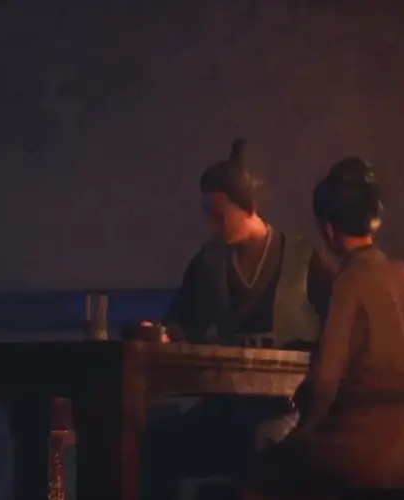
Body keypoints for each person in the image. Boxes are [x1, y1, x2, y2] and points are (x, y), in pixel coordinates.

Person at [138, 139, 337, 500]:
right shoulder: (209, 262)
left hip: (288, 407)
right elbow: (184, 322)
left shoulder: (304, 257)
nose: (214, 224)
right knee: (155, 447)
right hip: (228, 403)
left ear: (247, 207)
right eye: (208, 215)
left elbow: (337, 327)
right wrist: (163, 334)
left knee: (267, 456)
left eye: (221, 214)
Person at [240, 157, 404, 499]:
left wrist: (303, 427)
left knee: (258, 468)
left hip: (366, 448)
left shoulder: (349, 281)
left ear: (329, 230)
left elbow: (325, 380)